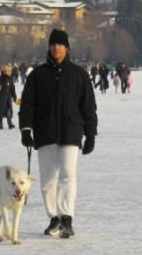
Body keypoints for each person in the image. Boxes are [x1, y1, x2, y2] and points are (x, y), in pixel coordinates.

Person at [19, 28, 97, 239]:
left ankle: (66, 218)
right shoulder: (37, 75)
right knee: (47, 180)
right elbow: (27, 105)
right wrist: (26, 129)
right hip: (45, 133)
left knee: (68, 175)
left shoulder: (79, 75)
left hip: (71, 132)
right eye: (53, 44)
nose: (56, 48)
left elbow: (88, 106)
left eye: (60, 44)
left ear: (67, 47)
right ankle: (54, 218)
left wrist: (90, 134)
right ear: (49, 47)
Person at [0, 65, 18, 129]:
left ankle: (10, 123)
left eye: (10, 71)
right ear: (4, 72)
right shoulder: (0, 78)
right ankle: (0, 124)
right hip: (1, 98)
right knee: (0, 111)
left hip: (8, 98)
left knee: (8, 111)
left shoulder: (10, 79)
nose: (10, 72)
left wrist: (14, 97)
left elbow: (12, 89)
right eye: (8, 71)